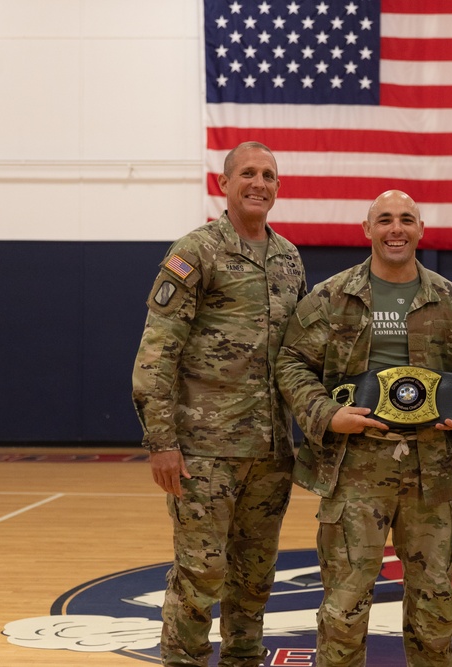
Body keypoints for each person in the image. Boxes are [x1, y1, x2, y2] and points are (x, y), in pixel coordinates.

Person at [275, 190, 452, 667]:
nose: (396, 229)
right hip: (355, 468)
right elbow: (291, 361)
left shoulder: (451, 299)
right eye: (384, 219)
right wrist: (326, 414)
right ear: (367, 230)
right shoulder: (332, 296)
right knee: (344, 609)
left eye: (406, 219)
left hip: (432, 470)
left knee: (436, 609)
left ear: (421, 230)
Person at [132, 141, 307, 667]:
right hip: (205, 452)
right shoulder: (197, 251)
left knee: (253, 579)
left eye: (269, 175)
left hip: (271, 453)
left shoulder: (289, 258)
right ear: (224, 184)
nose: (259, 183)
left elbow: (302, 354)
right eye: (248, 173)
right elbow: (155, 355)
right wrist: (162, 443)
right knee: (202, 573)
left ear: (278, 188)